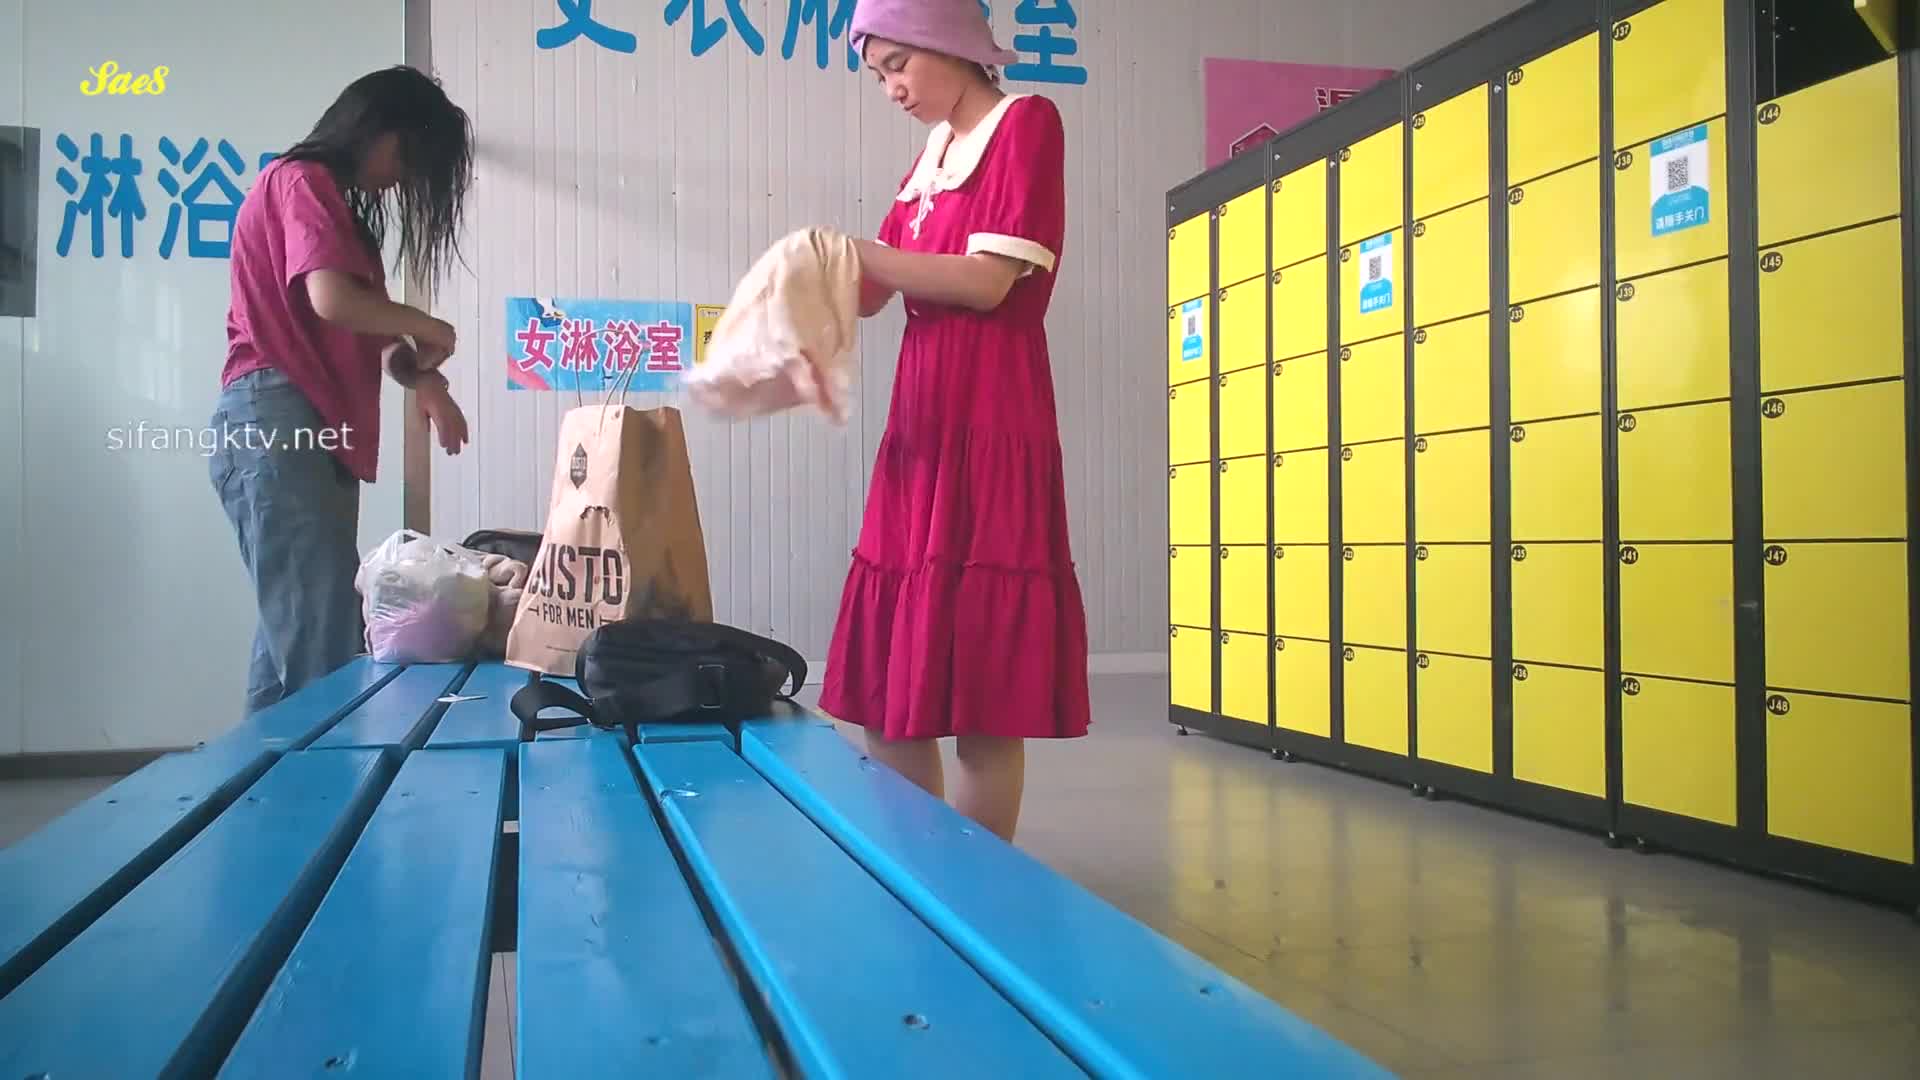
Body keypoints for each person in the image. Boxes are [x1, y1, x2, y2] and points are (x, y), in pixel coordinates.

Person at [823, 0, 1091, 842]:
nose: (892, 90)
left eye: (898, 65)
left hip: (992, 408)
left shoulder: (1025, 123)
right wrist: (812, 273)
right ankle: (922, 870)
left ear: (947, 44)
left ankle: (975, 892)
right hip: (923, 414)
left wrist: (867, 258)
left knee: (980, 693)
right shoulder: (932, 156)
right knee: (892, 693)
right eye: (879, 77)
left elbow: (985, 282)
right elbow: (878, 291)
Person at [208, 65, 474, 714]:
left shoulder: (334, 210)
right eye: (407, 158)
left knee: (296, 633)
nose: (401, 179)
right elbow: (333, 301)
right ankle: (321, 779)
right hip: (281, 418)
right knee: (320, 640)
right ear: (378, 130)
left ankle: (272, 773)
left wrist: (423, 377)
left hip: (303, 425)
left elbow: (369, 332)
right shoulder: (300, 181)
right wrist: (430, 325)